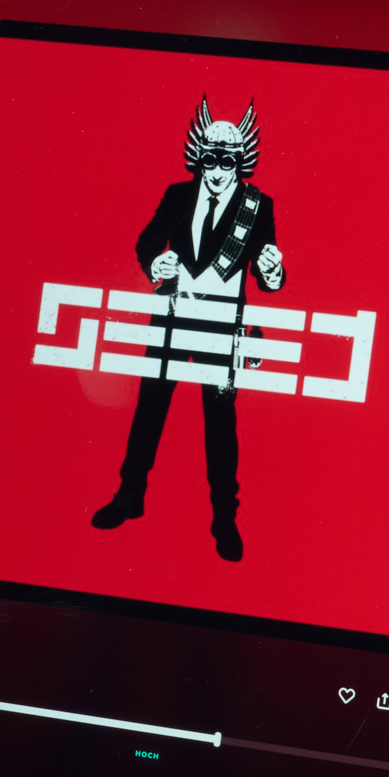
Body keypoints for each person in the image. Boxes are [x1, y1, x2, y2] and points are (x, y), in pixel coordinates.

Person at [91, 99, 287, 561]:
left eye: (227, 161)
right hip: (172, 317)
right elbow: (146, 242)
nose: (217, 170)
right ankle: (129, 495)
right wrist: (154, 264)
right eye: (209, 159)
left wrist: (273, 271)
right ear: (198, 157)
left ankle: (224, 517)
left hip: (221, 327)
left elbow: (269, 276)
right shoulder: (178, 194)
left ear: (242, 162)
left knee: (220, 421)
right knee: (150, 408)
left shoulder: (258, 206)